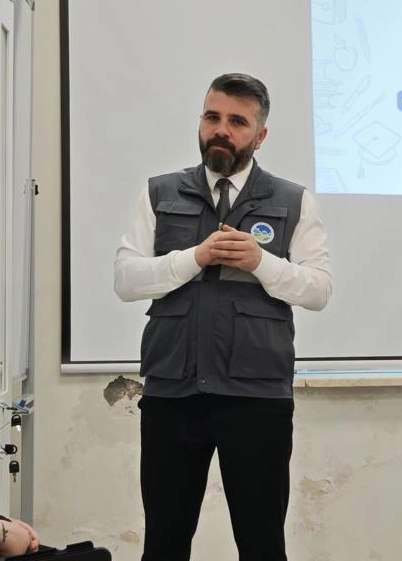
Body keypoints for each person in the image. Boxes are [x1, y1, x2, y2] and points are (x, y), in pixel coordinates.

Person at [114, 73, 333, 561]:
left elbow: (319, 289)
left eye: (237, 121)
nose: (221, 130)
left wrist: (262, 263)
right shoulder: (159, 193)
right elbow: (126, 279)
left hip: (256, 398)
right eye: (212, 117)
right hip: (173, 394)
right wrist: (193, 258)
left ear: (260, 135)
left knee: (262, 545)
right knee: (164, 544)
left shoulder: (292, 200)